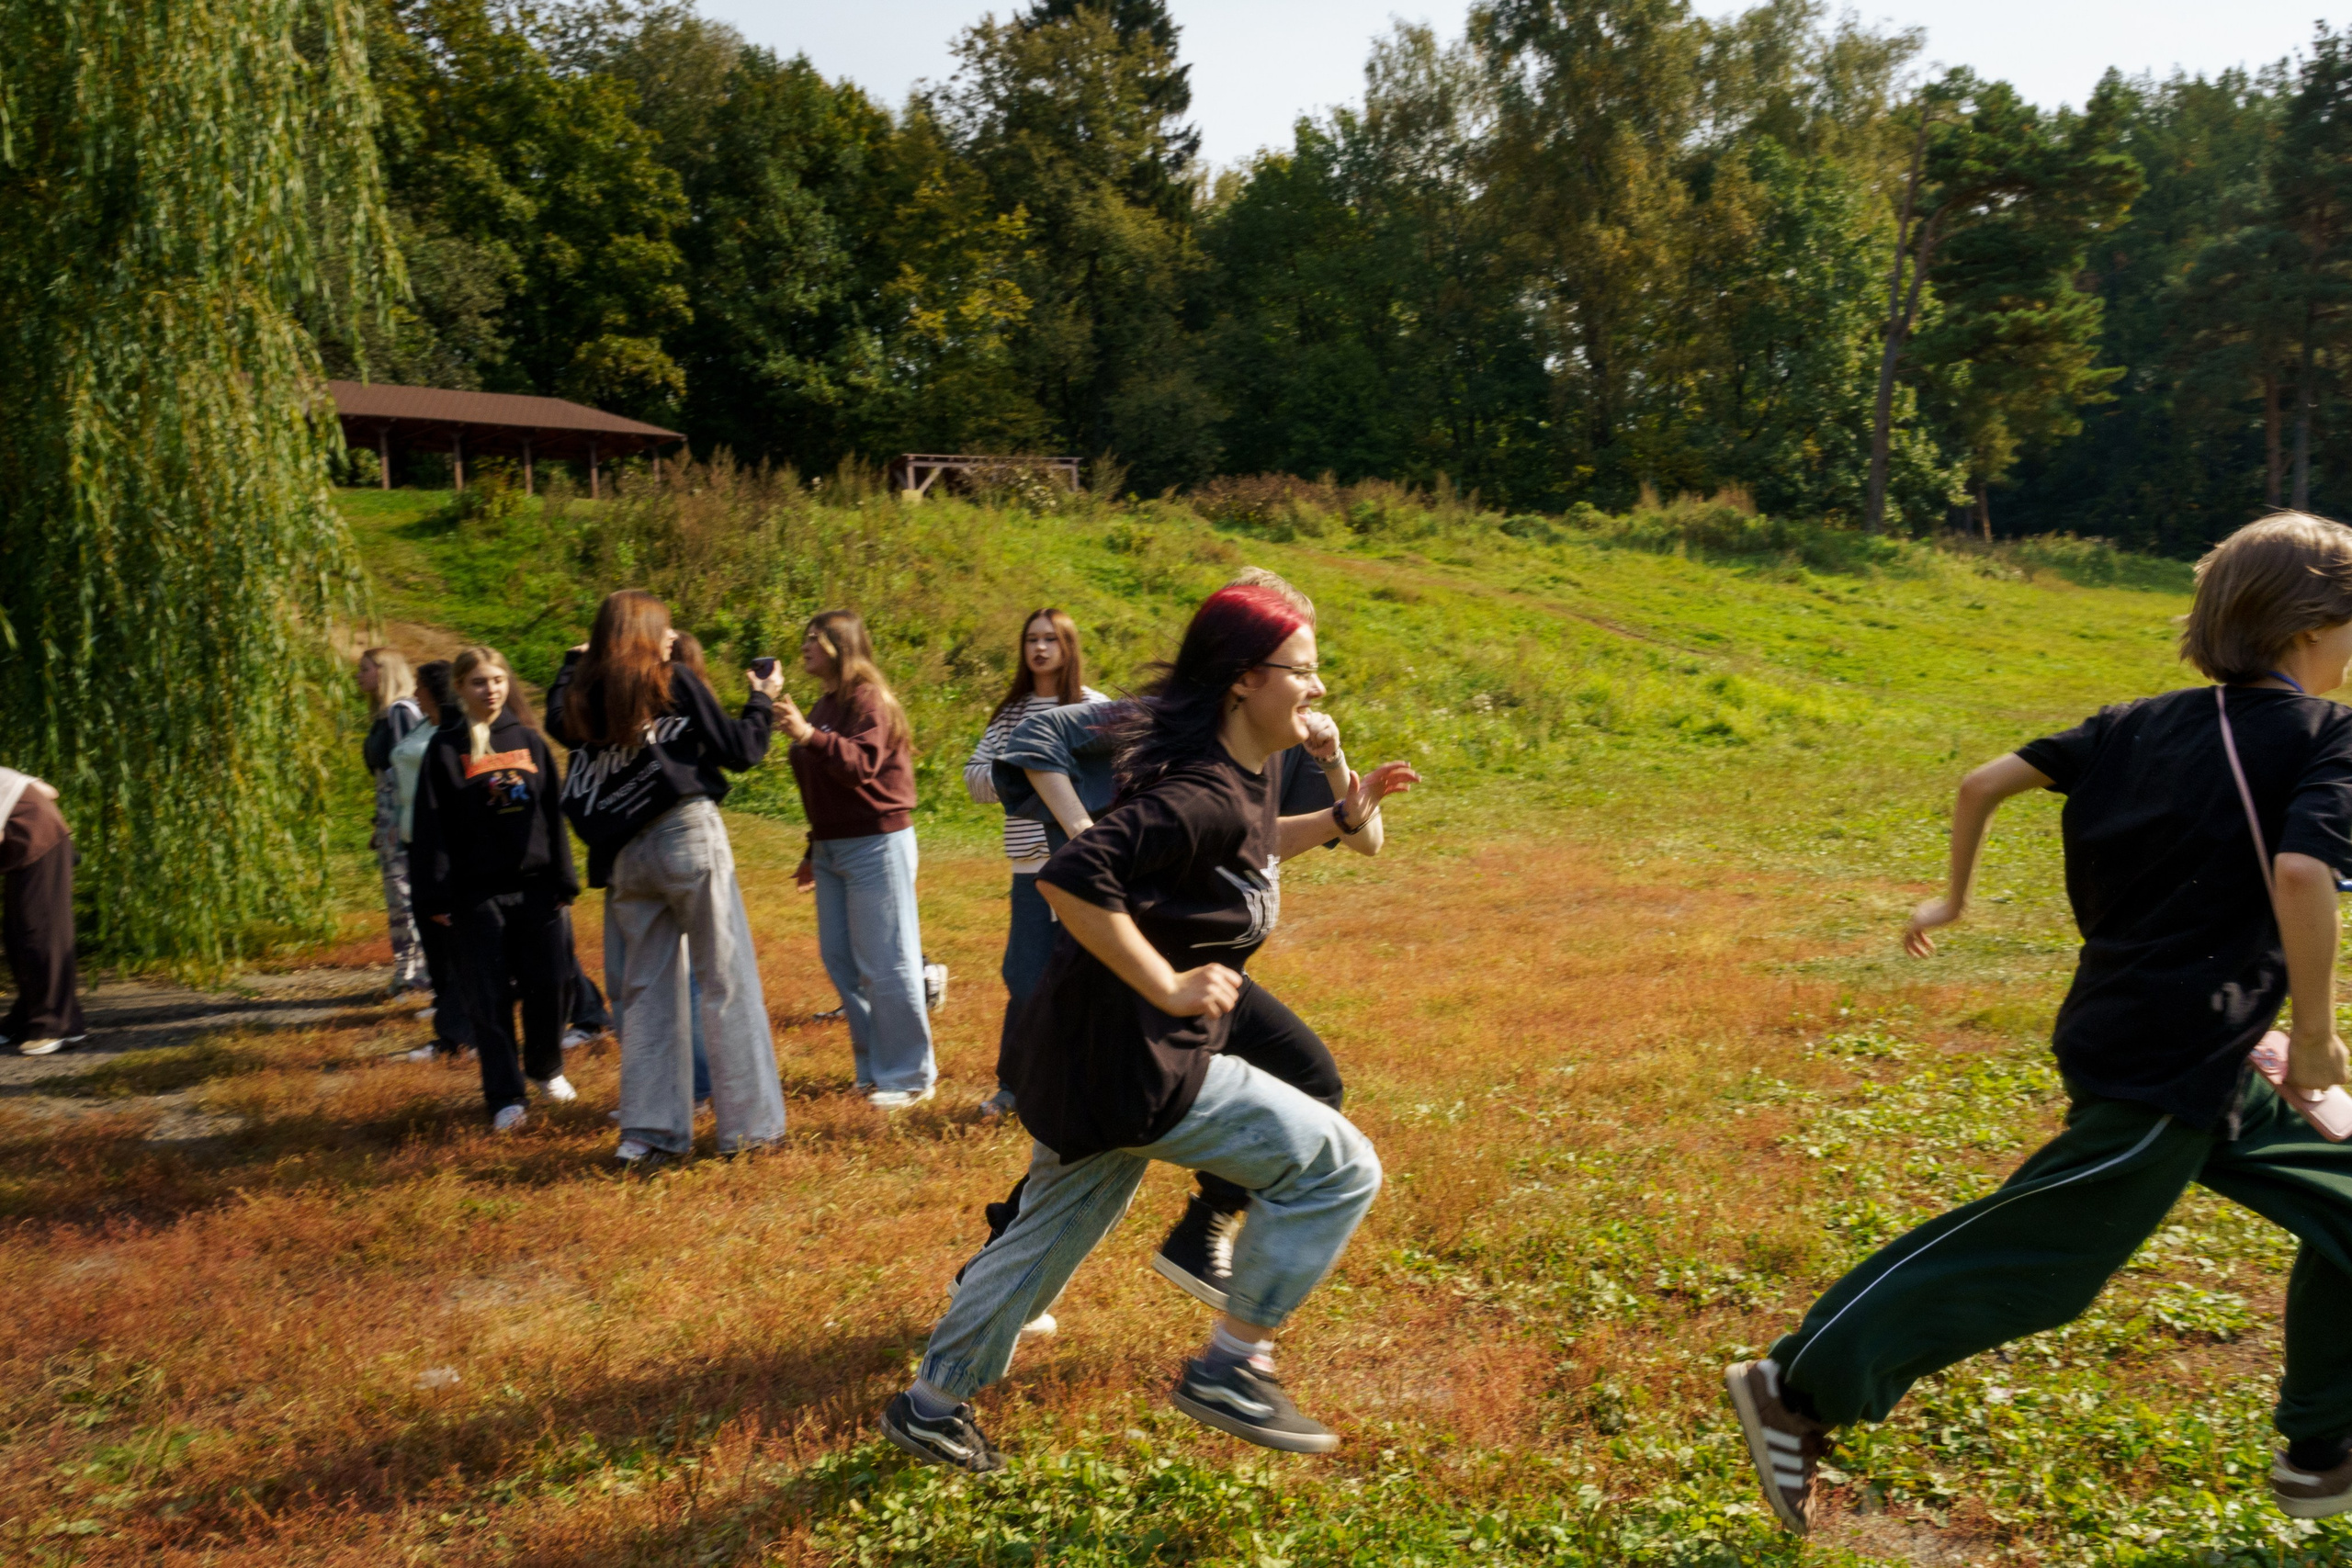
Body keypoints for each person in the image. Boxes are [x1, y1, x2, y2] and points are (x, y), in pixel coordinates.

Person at [1726, 512, 2352, 1534]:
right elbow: (2300, 872)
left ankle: (2324, 1456)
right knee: (2046, 1255)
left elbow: (1984, 782)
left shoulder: (2134, 723)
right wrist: (2320, 1032)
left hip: (2188, 1036)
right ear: (2309, 626)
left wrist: (1952, 899)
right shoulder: (2328, 736)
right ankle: (1795, 1389)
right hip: (2171, 1052)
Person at [881, 584, 1418, 1472]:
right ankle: (1233, 1367)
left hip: (1085, 1050)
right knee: (1337, 1167)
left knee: (1047, 1234)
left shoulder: (1235, 775)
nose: (1317, 689)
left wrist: (1341, 811)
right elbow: (1072, 876)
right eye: (1306, 672)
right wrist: (1168, 983)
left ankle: (931, 1404)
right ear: (1246, 680)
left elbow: (1239, 845)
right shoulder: (1205, 787)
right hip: (1132, 1059)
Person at [974, 568, 1408, 1318]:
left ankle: (1200, 1228)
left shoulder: (1276, 737)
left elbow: (1330, 839)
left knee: (1311, 1079)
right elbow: (1040, 735)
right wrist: (1087, 832)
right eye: (1297, 664)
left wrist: (1337, 779)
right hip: (1136, 969)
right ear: (1239, 666)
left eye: (1309, 662)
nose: (1312, 681)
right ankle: (1001, 1261)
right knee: (1095, 1135)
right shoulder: (1173, 718)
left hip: (1213, 969)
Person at [548, 592, 786, 1163]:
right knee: (727, 981)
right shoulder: (672, 679)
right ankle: (751, 1133)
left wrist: (570, 661)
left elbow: (558, 718)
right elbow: (741, 751)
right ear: (644, 632)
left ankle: (650, 1136)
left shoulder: (584, 696)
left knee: (646, 994)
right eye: (665, 627)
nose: (673, 635)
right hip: (686, 834)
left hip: (626, 855)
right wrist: (761, 700)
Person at [410, 647, 579, 1131]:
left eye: (498, 680)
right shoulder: (444, 750)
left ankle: (546, 1068)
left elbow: (551, 811)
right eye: (480, 682)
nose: (491, 690)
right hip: (476, 897)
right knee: (489, 998)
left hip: (537, 890)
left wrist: (563, 879)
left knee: (552, 984)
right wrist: (436, 896)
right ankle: (505, 1096)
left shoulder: (529, 740)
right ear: (461, 689)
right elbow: (431, 828)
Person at [782, 610, 937, 1109]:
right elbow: (825, 783)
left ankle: (911, 1077)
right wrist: (814, 847)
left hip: (876, 843)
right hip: (833, 847)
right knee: (843, 960)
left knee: (887, 962)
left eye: (814, 638)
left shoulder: (867, 698)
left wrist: (807, 736)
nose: (804, 646)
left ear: (840, 645)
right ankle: (874, 1069)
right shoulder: (827, 703)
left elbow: (860, 766)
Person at [963, 608, 1107, 1119]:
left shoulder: (1097, 708)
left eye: (1051, 638)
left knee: (1089, 975)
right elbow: (975, 777)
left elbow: (1123, 779)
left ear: (1069, 646)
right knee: (1025, 976)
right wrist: (1021, 779)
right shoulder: (1010, 714)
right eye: (1031, 639)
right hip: (1030, 868)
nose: (1040, 648)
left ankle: (1081, 1082)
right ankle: (1014, 1087)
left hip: (1088, 866)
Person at [392, 660, 470, 1061]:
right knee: (434, 938)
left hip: (445, 845)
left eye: (420, 686)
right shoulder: (423, 725)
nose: (415, 692)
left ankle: (458, 1035)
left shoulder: (453, 732)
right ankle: (451, 1022)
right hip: (413, 840)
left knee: (453, 942)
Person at [358, 646, 429, 996]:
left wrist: (399, 822)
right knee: (396, 894)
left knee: (406, 893)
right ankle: (406, 970)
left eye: (365, 669)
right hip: (388, 814)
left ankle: (418, 974)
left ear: (383, 672)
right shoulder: (383, 716)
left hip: (402, 814)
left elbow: (407, 769)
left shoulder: (402, 712)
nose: (359, 676)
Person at [0, 770, 84, 1055]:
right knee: (18, 933)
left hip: (40, 844)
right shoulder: (4, 776)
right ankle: (35, 1021)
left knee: (37, 932)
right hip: (37, 844)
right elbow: (49, 791)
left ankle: (51, 1026)